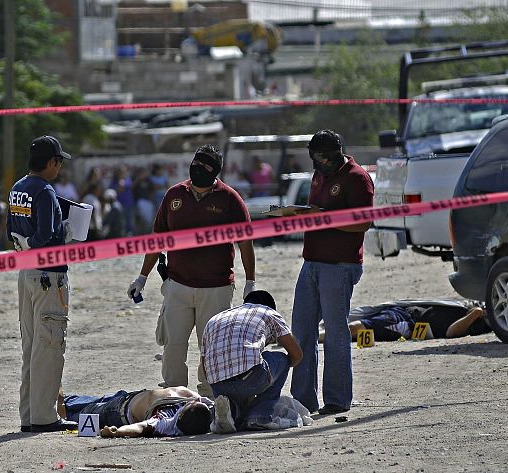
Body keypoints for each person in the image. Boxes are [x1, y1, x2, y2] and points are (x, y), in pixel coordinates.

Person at [127, 144, 256, 397]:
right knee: (173, 346)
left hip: (216, 288)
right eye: (196, 163)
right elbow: (157, 239)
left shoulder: (230, 199)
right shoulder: (174, 195)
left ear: (216, 171)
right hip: (177, 285)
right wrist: (142, 277)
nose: (198, 168)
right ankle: (174, 398)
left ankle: (209, 398)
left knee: (211, 348)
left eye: (206, 165)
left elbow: (245, 243)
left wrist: (251, 282)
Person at [289, 130, 374, 416]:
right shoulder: (318, 176)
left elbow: (362, 224)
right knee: (301, 331)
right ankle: (303, 401)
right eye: (316, 159)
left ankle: (337, 399)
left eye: (325, 158)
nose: (320, 163)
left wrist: (323, 220)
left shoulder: (356, 177)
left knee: (336, 332)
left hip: (339, 264)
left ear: (338, 151)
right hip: (311, 261)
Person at [7, 135, 78, 433]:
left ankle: (29, 414)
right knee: (49, 344)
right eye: (59, 162)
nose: (60, 168)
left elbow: (12, 230)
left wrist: (25, 245)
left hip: (26, 272)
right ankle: (45, 416)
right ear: (51, 163)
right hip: (50, 275)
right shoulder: (45, 191)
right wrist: (68, 230)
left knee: (31, 344)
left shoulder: (17, 188)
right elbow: (47, 233)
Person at [202, 290, 302, 433]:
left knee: (239, 413)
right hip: (252, 376)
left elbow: (204, 365)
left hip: (218, 384)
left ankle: (230, 414)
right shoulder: (268, 313)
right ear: (269, 306)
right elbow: (297, 354)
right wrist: (271, 378)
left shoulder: (214, 319)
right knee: (282, 359)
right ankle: (259, 415)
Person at [61, 386, 213, 437]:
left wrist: (118, 432)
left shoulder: (194, 398)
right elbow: (141, 427)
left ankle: (52, 399)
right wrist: (117, 432)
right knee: (73, 413)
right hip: (118, 409)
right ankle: (53, 399)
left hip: (127, 399)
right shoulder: (168, 420)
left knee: (75, 407)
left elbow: (140, 427)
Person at [329, 301, 490, 342]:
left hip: (409, 324)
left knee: (355, 329)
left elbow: (451, 333)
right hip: (404, 311)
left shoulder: (479, 323)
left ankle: (317, 337)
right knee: (354, 324)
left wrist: (475, 314)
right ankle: (321, 334)